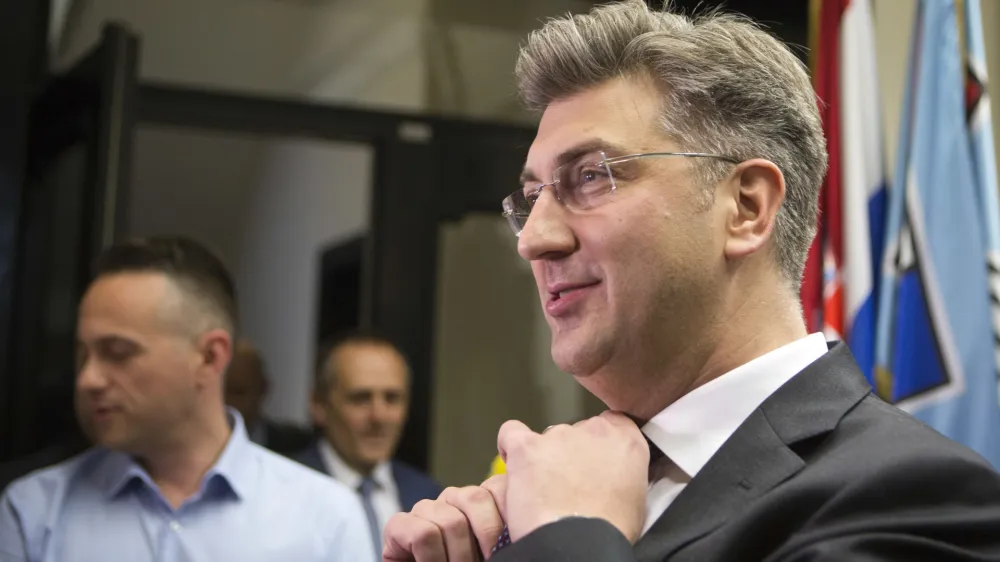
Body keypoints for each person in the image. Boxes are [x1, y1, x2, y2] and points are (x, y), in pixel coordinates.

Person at [381, 1, 1000, 561]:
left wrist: (568, 537)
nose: (533, 239)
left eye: (591, 176)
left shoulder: (920, 498)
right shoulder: (531, 504)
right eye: (533, 196)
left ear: (747, 207)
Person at [0, 236, 376, 562]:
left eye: (118, 352)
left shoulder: (325, 519)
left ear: (209, 357)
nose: (88, 380)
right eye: (83, 355)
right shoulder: (34, 512)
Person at [296, 332, 442, 558]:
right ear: (319, 405)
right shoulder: (286, 493)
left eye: (392, 398)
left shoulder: (430, 497)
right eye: (361, 398)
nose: (379, 416)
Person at [225, 339, 313, 456]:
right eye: (220, 392)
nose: (225, 401)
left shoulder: (297, 446)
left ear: (263, 389)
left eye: (237, 392)